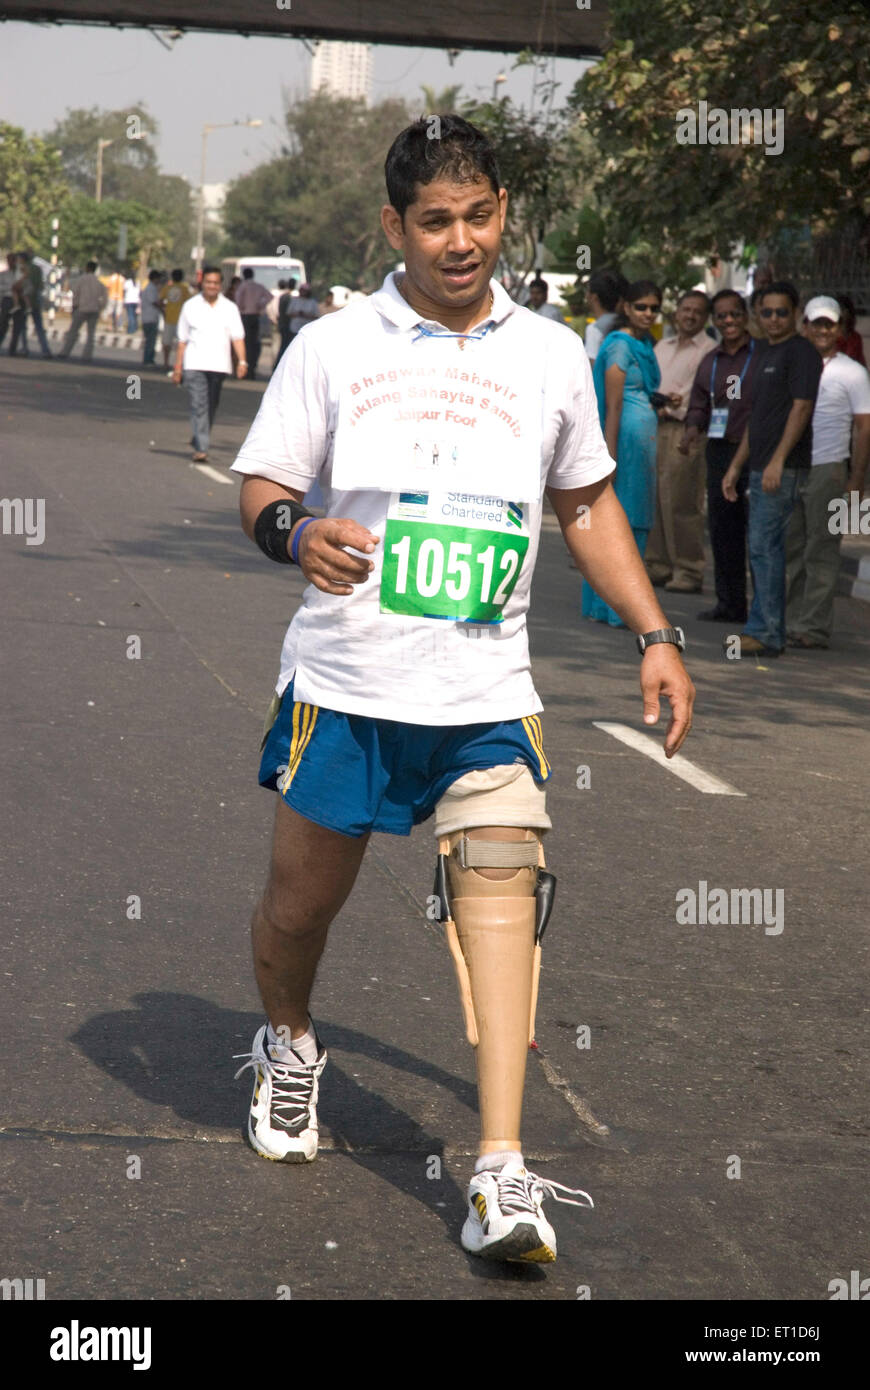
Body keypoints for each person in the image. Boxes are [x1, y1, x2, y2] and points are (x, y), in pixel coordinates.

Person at [229, 116, 695, 1267]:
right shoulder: (335, 346)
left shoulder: (547, 354)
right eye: (435, 220)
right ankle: (290, 1043)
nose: (460, 240)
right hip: (345, 682)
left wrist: (655, 631)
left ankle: (501, 1169)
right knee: (299, 912)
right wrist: (298, 534)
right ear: (394, 226)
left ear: (502, 216)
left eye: (479, 215)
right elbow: (263, 485)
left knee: (502, 885)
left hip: (486, 688)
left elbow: (583, 502)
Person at [722, 281, 823, 656]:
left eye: (783, 312)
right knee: (761, 547)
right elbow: (757, 418)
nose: (775, 319)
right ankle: (763, 627)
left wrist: (778, 460)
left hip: (783, 466)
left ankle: (766, 632)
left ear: (796, 314)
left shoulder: (802, 353)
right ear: (758, 315)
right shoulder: (764, 352)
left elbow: (801, 408)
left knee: (766, 546)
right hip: (759, 463)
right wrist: (735, 466)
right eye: (767, 312)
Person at [785, 296, 870, 648]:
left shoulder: (852, 372)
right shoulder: (791, 363)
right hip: (791, 467)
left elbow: (864, 429)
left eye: (829, 324)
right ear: (804, 325)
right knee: (791, 548)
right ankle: (789, 622)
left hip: (829, 470)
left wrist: (855, 482)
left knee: (822, 549)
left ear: (839, 329)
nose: (821, 330)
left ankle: (813, 627)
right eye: (815, 323)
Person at [584, 280, 667, 626]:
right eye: (641, 307)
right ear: (626, 308)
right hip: (625, 444)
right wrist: (611, 456)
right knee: (623, 521)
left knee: (637, 520)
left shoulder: (645, 343)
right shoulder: (619, 346)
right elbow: (613, 405)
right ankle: (615, 607)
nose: (648, 313)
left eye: (653, 307)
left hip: (643, 439)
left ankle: (617, 605)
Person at [683, 290, 758, 623]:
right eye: (722, 316)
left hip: (756, 449)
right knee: (722, 529)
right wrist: (691, 430)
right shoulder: (711, 360)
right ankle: (729, 604)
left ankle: (763, 609)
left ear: (745, 316)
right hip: (719, 448)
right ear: (714, 321)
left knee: (757, 531)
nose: (728, 321)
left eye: (734, 314)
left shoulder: (761, 355)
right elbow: (700, 403)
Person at [644, 292, 716, 593]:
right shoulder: (663, 345)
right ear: (677, 313)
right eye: (685, 309)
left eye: (697, 312)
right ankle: (657, 564)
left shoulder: (710, 350)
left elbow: (694, 393)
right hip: (655, 424)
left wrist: (668, 403)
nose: (690, 315)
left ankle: (688, 569)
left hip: (685, 429)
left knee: (683, 501)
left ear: (705, 317)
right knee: (655, 498)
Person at [172, 265, 247, 461]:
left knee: (211, 406)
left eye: (215, 283)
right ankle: (202, 447)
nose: (212, 286)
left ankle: (199, 436)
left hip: (219, 365)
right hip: (194, 363)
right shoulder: (190, 306)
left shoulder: (230, 308)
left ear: (220, 285)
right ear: (202, 283)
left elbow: (237, 337)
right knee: (199, 405)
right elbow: (182, 340)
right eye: (208, 282)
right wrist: (177, 368)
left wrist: (243, 362)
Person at [58, 261, 108, 361]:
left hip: (81, 309)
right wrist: (100, 308)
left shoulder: (81, 280)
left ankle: (65, 352)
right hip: (94, 310)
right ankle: (87, 355)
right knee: (91, 334)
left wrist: (74, 306)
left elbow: (75, 294)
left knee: (73, 332)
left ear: (87, 268)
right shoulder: (99, 282)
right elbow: (105, 298)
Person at [235, 267, 273, 382]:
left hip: (245, 316)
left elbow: (238, 300)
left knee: (245, 343)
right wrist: (260, 305)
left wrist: (242, 307)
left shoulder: (243, 286)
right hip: (255, 316)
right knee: (253, 343)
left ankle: (245, 369)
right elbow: (270, 297)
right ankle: (251, 369)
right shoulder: (258, 286)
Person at [583, 269, 627, 366]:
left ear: (594, 297)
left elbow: (592, 368)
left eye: (587, 291)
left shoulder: (595, 329)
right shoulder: (628, 323)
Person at [159, 268, 193, 369]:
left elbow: (160, 301)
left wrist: (164, 312)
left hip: (169, 319)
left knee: (167, 343)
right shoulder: (184, 289)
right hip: (181, 321)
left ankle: (166, 362)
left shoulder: (167, 288)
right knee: (181, 343)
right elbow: (189, 303)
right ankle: (180, 363)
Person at [8, 254, 32, 356]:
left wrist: (20, 282)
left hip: (20, 288)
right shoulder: (14, 269)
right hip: (17, 292)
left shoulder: (22, 268)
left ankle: (23, 306)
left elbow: (26, 277)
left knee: (20, 326)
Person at [835, 294, 866, 367]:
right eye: (840, 309)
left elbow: (860, 361)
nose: (842, 313)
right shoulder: (831, 336)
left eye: (845, 310)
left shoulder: (855, 337)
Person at [140, 269, 162, 367]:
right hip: (150, 317)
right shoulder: (151, 288)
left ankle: (148, 359)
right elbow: (154, 302)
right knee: (150, 340)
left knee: (149, 340)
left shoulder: (149, 287)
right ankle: (148, 359)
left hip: (147, 317)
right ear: (155, 278)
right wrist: (163, 306)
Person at [0, 252, 17, 349]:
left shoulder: (20, 274)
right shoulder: (4, 274)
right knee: (3, 323)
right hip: (7, 299)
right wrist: (10, 288)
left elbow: (28, 287)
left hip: (18, 300)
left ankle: (13, 348)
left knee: (18, 326)